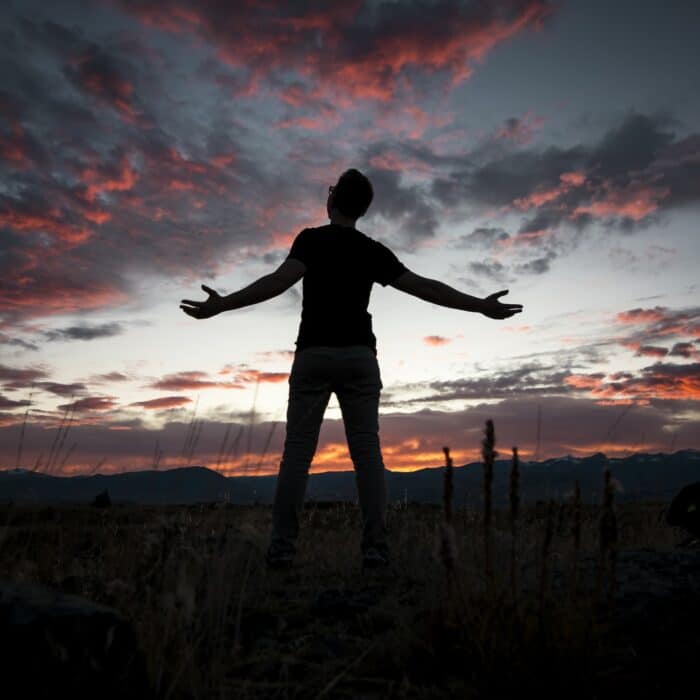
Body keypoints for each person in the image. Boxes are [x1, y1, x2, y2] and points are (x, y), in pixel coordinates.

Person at [180, 168, 523, 571]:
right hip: (359, 358)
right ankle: (375, 549)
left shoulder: (310, 240)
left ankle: (282, 550)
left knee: (296, 455)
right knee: (367, 455)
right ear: (362, 208)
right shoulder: (371, 250)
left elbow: (276, 282)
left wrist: (223, 305)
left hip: (314, 356)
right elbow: (426, 287)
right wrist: (479, 306)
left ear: (333, 199)